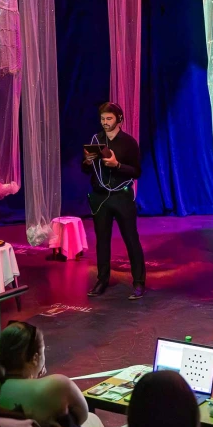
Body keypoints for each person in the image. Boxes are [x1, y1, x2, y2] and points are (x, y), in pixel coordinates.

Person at [82, 102, 145, 300]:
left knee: (131, 239)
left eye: (109, 119)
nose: (105, 123)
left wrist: (117, 165)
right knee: (102, 240)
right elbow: (85, 170)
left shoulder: (128, 142)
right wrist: (88, 162)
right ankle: (102, 279)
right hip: (100, 197)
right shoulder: (96, 140)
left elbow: (136, 172)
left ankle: (138, 282)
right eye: (103, 119)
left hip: (122, 196)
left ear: (119, 119)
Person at [0, 321, 105, 427]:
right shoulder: (58, 384)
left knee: (93, 419)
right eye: (43, 351)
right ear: (35, 358)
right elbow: (81, 416)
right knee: (95, 423)